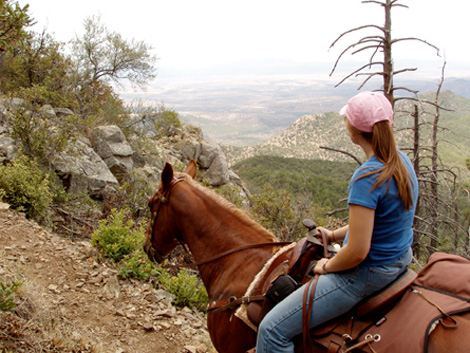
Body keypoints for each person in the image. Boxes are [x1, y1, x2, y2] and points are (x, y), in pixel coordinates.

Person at [256, 91, 419, 353]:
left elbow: (357, 252)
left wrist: (328, 265)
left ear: (352, 132)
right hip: (400, 260)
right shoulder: (401, 161)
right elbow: (379, 222)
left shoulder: (367, 176)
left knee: (271, 330)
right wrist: (332, 236)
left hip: (367, 275)